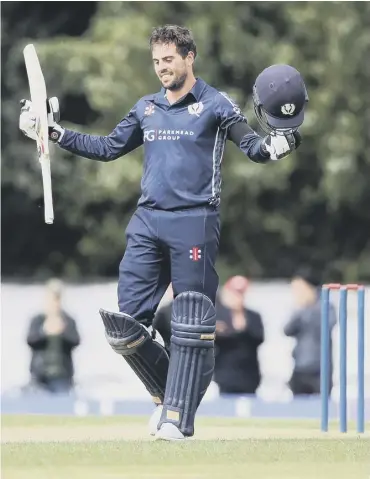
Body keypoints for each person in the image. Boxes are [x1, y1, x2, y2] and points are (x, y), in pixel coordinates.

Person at [19, 25, 308, 440]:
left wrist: (280, 143)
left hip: (194, 221)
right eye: (156, 62)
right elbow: (107, 148)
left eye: (168, 60)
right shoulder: (146, 107)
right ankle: (176, 393)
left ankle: (177, 416)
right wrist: (53, 132)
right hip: (148, 220)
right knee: (125, 325)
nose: (161, 69)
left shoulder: (215, 104)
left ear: (189, 57)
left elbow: (255, 148)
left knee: (191, 319)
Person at [284, 268, 336, 395]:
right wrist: (300, 310)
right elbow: (287, 330)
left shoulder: (326, 306)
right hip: (300, 366)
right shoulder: (299, 308)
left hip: (320, 368)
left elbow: (325, 328)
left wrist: (308, 309)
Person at [26, 278, 80, 394]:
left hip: (62, 375)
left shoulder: (68, 320)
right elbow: (30, 340)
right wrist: (44, 332)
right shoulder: (38, 320)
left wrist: (62, 332)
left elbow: (75, 341)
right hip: (39, 375)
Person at [214, 275, 264, 395]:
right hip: (225, 372)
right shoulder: (218, 314)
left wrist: (240, 319)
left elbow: (258, 338)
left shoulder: (253, 316)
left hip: (249, 373)